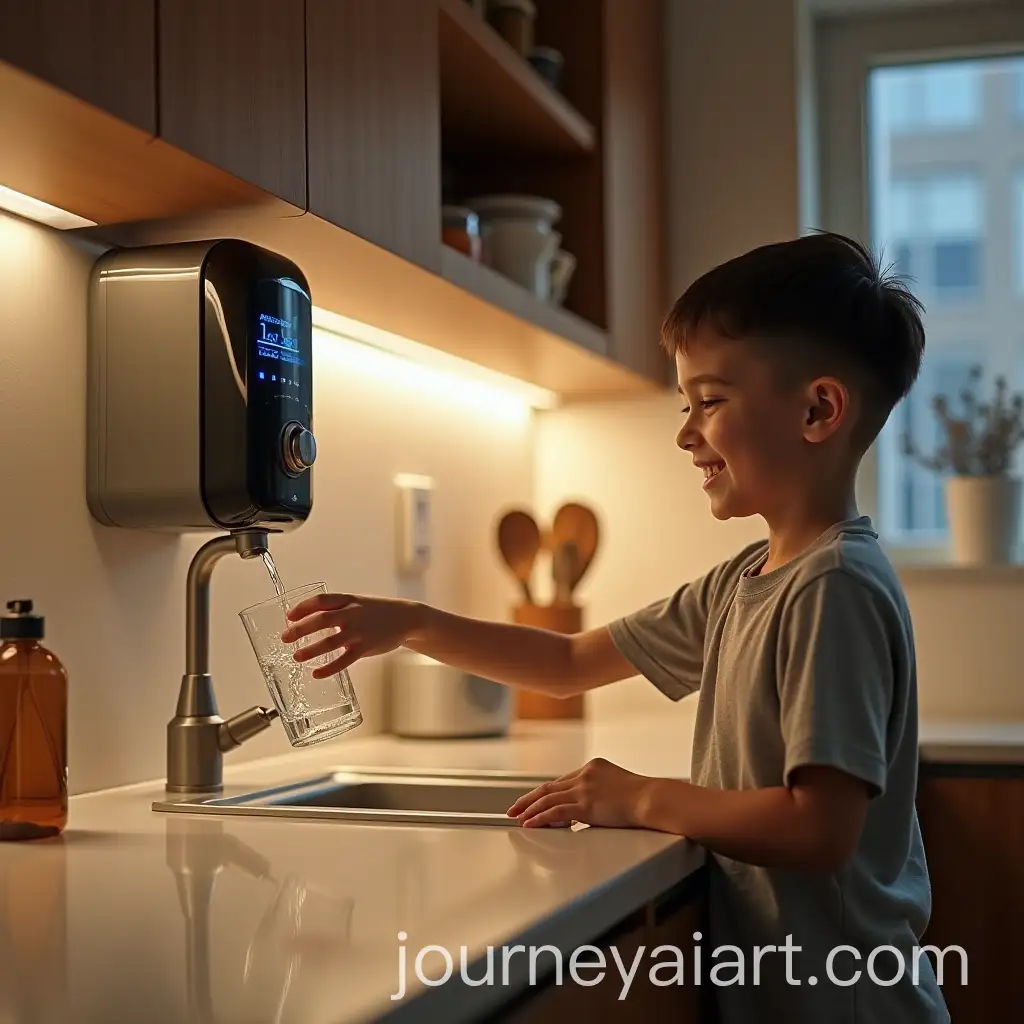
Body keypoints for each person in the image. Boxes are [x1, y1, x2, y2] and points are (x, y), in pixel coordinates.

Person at [281, 232, 949, 1023]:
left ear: (817, 410)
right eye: (685, 405)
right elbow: (566, 662)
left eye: (710, 401)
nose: (686, 432)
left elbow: (820, 830)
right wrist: (413, 624)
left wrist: (639, 797)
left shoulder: (832, 589)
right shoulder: (748, 581)